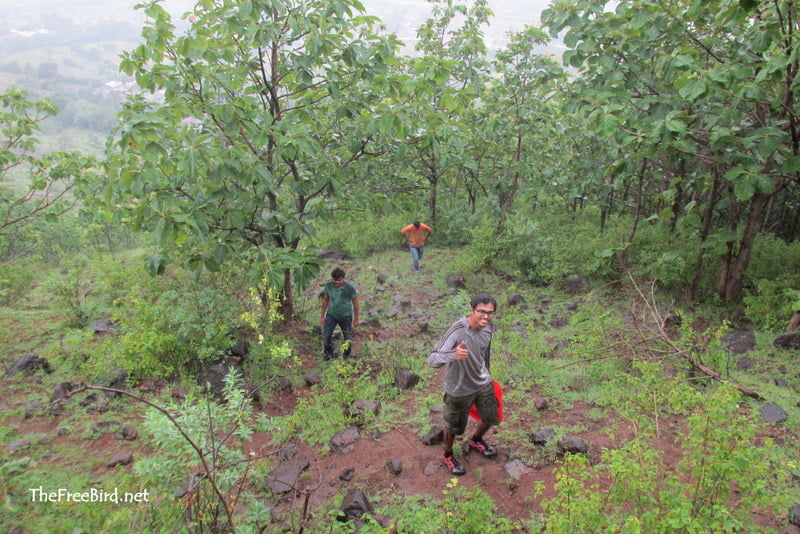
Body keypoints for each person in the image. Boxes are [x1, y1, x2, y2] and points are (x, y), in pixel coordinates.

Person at [427, 294, 499, 475]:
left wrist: (488, 373)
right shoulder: (458, 330)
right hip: (459, 389)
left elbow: (485, 353)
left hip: (483, 382)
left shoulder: (488, 327)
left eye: (490, 313)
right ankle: (448, 454)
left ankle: (476, 440)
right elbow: (432, 359)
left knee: (490, 417)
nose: (486, 316)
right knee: (454, 426)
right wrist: (453, 354)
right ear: (471, 310)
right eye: (481, 312)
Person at [320, 267, 360, 360]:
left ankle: (346, 356)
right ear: (332, 279)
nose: (337, 282)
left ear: (344, 279)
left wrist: (356, 319)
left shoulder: (350, 288)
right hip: (331, 315)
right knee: (326, 337)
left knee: (347, 337)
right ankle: (329, 354)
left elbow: (355, 304)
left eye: (340, 280)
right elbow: (325, 300)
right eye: (335, 280)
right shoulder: (329, 285)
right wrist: (322, 316)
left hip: (345, 316)